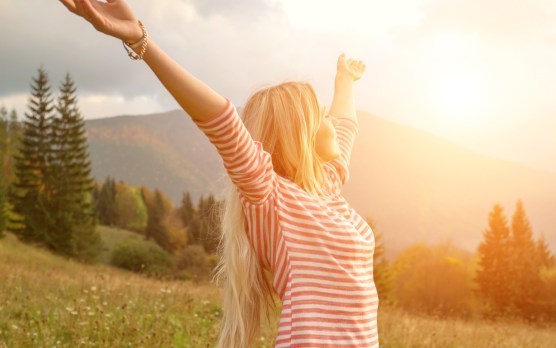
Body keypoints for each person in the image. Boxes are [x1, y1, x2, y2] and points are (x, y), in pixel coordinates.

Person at [59, 1, 376, 347]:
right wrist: (141, 42)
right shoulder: (271, 196)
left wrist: (344, 80)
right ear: (302, 131)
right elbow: (222, 119)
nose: (332, 119)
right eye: (322, 114)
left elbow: (346, 125)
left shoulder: (328, 186)